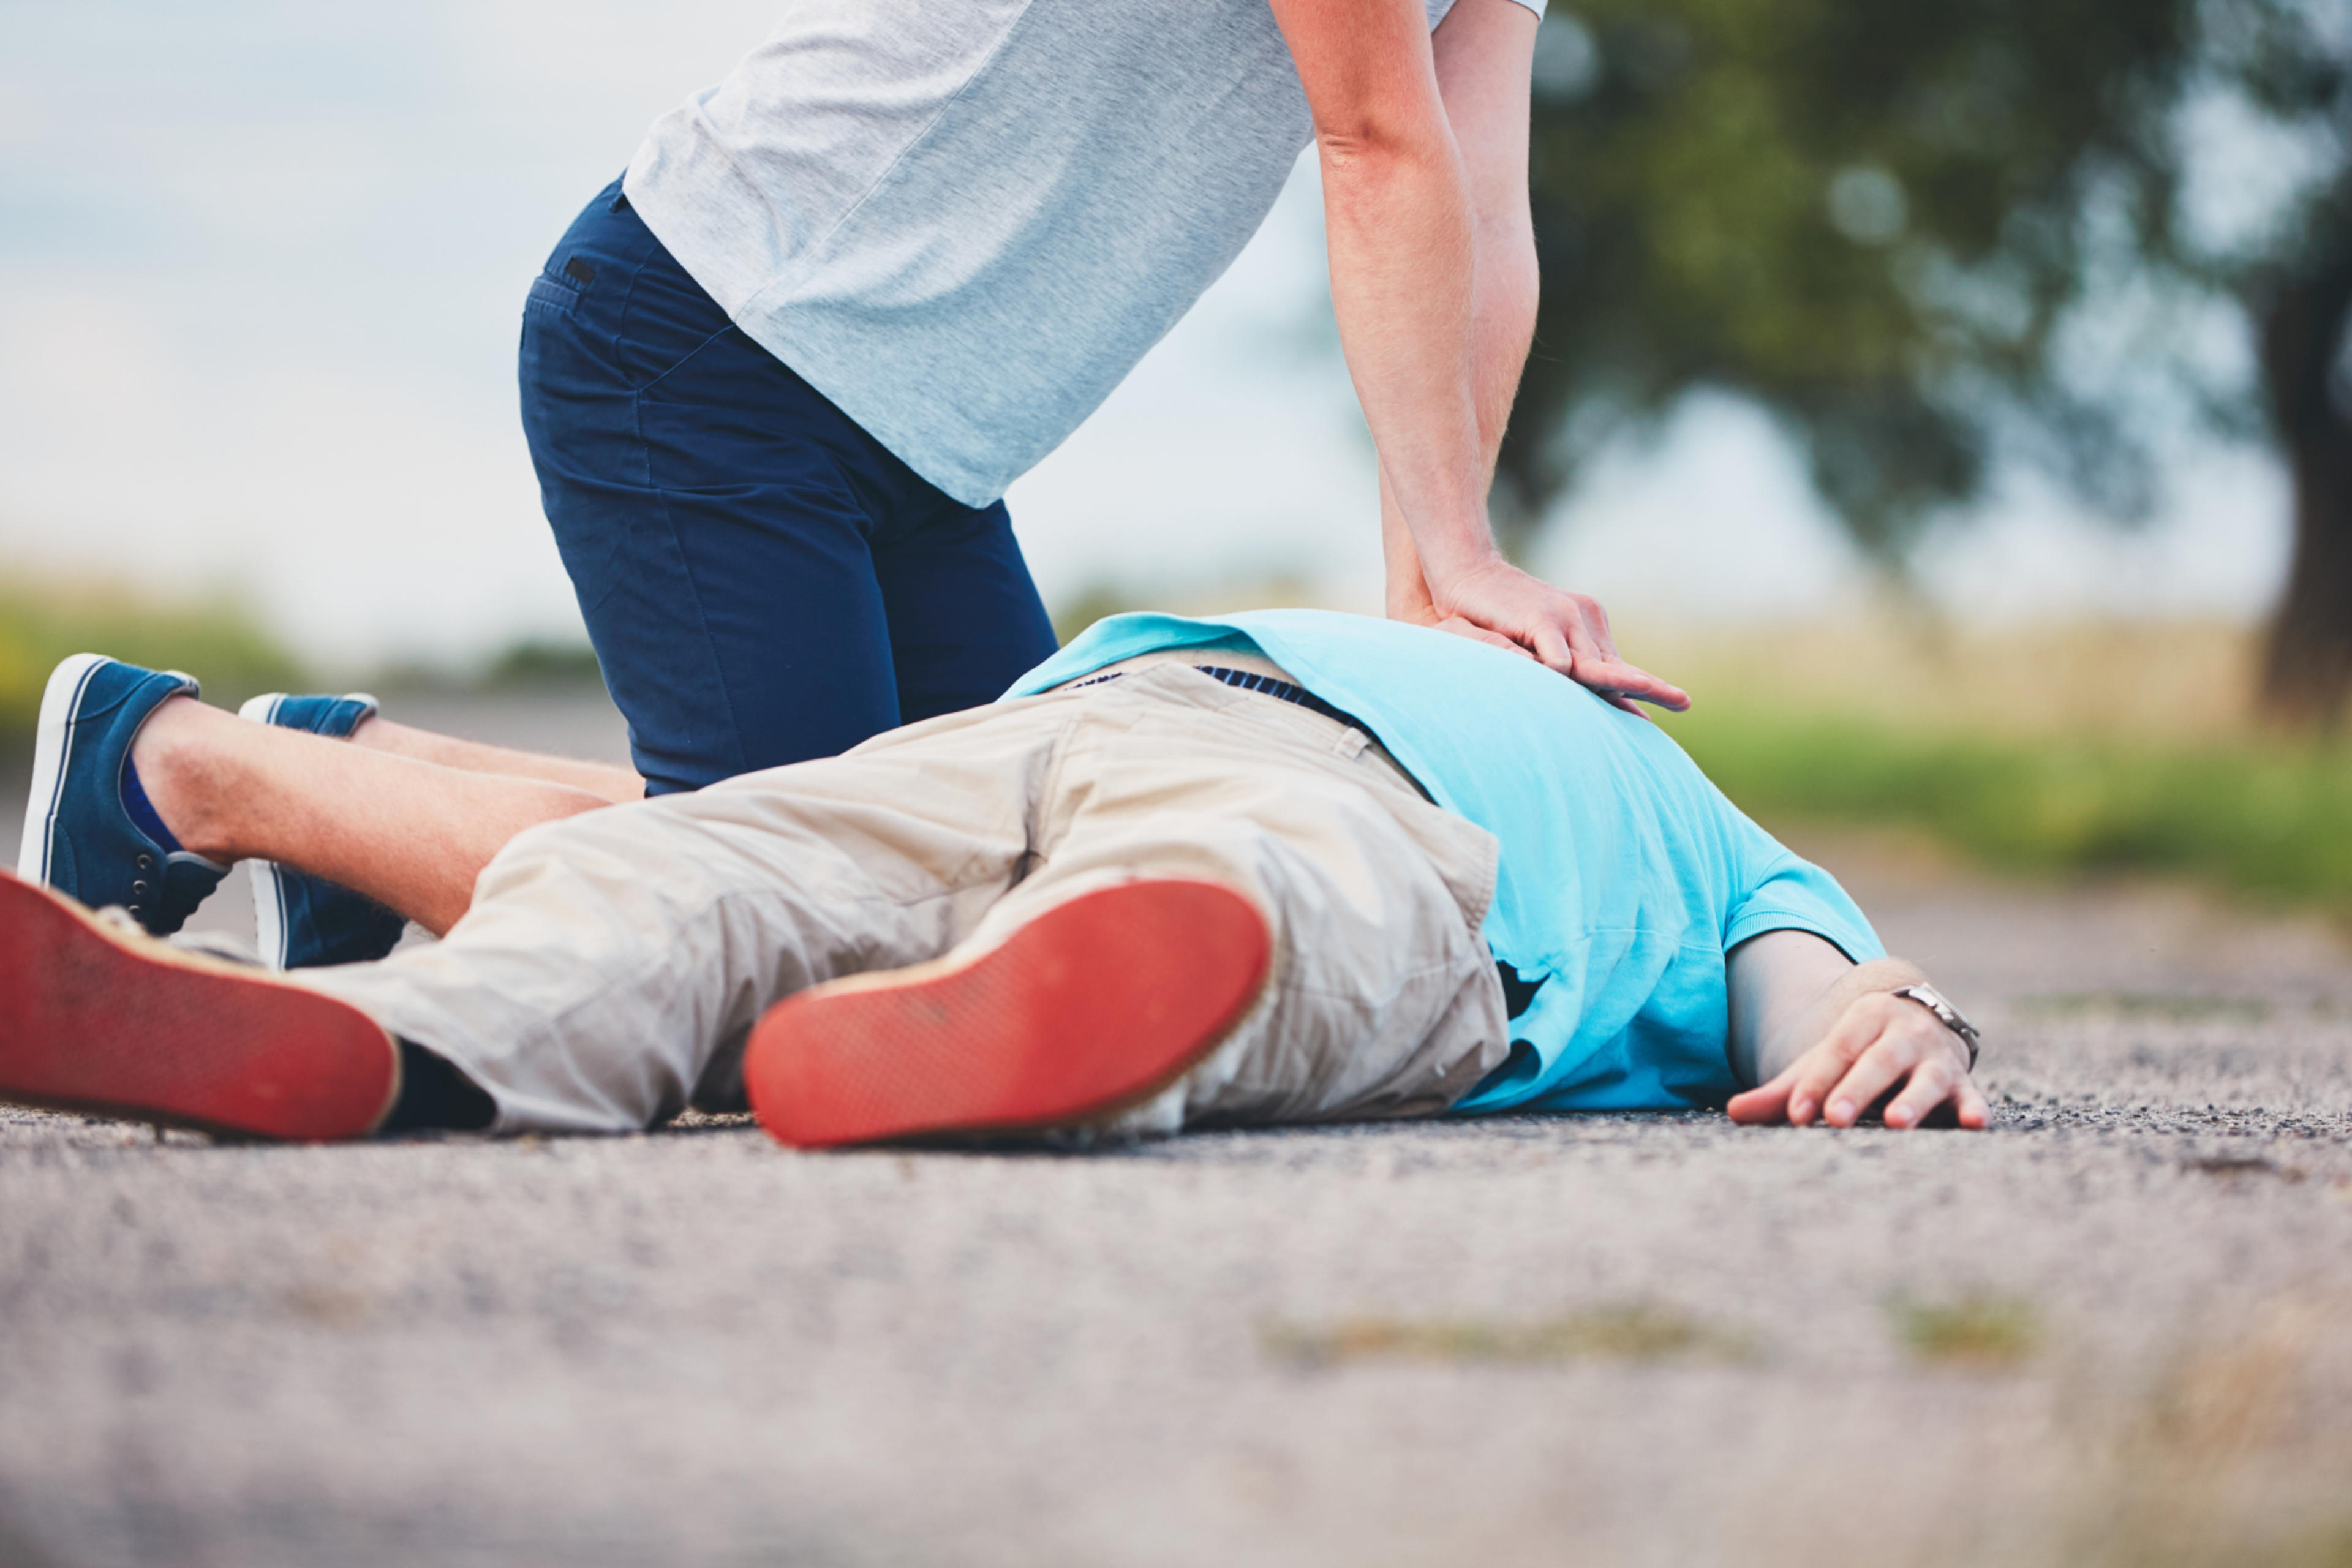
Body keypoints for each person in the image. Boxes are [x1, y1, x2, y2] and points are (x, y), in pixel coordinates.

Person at [4, 613, 1986, 1148]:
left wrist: (1899, 1016)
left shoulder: (1720, 840)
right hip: (1073, 716)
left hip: (1365, 825)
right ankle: (367, 1036)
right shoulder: (1406, 624)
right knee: (704, 867)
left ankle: (1015, 1018)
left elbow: (1824, 999)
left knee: (1243, 883)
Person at [513, 0, 1687, 797]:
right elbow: (1375, 140)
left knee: (1010, 912)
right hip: (712, 342)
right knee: (807, 931)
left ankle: (345, 778)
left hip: (931, 454)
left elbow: (1479, 213)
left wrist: (1429, 595)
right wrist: (1463, 551)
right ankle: (329, 783)